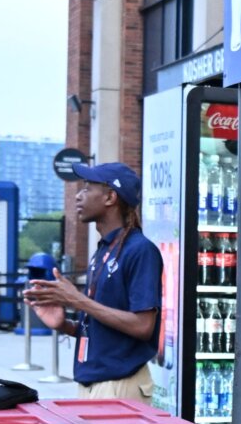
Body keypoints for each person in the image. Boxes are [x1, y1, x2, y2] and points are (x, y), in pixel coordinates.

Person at [26, 161, 163, 400]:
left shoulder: (140, 250)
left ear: (110, 197)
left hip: (120, 385)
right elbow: (102, 328)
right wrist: (64, 324)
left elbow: (143, 326)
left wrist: (78, 301)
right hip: (92, 383)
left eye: (87, 188)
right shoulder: (103, 250)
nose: (78, 196)